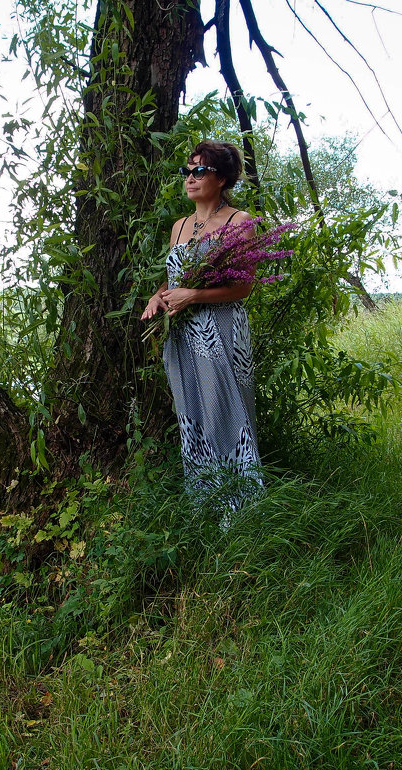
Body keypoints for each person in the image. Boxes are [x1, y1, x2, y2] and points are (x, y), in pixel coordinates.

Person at [141, 140, 262, 505]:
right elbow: (174, 278)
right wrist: (158, 295)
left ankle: (242, 506)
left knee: (226, 411)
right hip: (183, 335)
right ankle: (206, 501)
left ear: (222, 178)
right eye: (187, 170)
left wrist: (193, 296)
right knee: (192, 412)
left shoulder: (240, 223)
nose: (190, 178)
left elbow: (244, 288)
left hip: (223, 333)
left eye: (199, 170)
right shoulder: (179, 226)